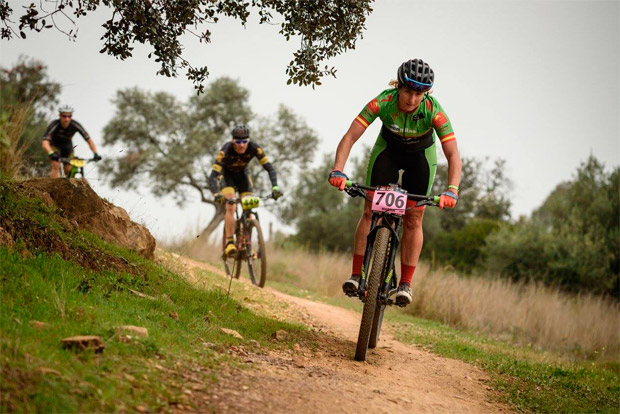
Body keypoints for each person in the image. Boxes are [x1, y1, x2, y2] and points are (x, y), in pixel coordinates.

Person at [328, 58, 462, 306]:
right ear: (398, 87)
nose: (412, 99)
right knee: (369, 210)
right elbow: (350, 136)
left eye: (419, 94)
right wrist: (338, 170)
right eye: (408, 91)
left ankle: (406, 284)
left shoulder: (434, 111)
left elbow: (453, 155)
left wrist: (452, 190)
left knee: (414, 217)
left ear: (426, 94)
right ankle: (357, 275)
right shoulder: (383, 102)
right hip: (388, 151)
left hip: (420, 158)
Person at [209, 124, 283, 256]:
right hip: (227, 177)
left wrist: (275, 187)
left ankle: (246, 242)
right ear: (233, 141)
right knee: (231, 206)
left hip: (243, 177)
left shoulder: (255, 148)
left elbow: (270, 168)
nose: (242, 145)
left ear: (248, 141)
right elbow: (213, 175)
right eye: (238, 142)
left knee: (248, 207)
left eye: (245, 141)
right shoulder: (225, 150)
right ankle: (230, 243)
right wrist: (216, 193)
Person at [42, 104, 102, 177]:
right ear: (60, 116)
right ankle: (53, 187)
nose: (67, 119)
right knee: (56, 165)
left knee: (68, 170)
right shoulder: (54, 124)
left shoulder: (75, 124)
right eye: (64, 116)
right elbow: (45, 142)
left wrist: (95, 153)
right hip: (55, 146)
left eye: (69, 116)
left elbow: (88, 139)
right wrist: (51, 153)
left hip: (68, 147)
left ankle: (68, 185)